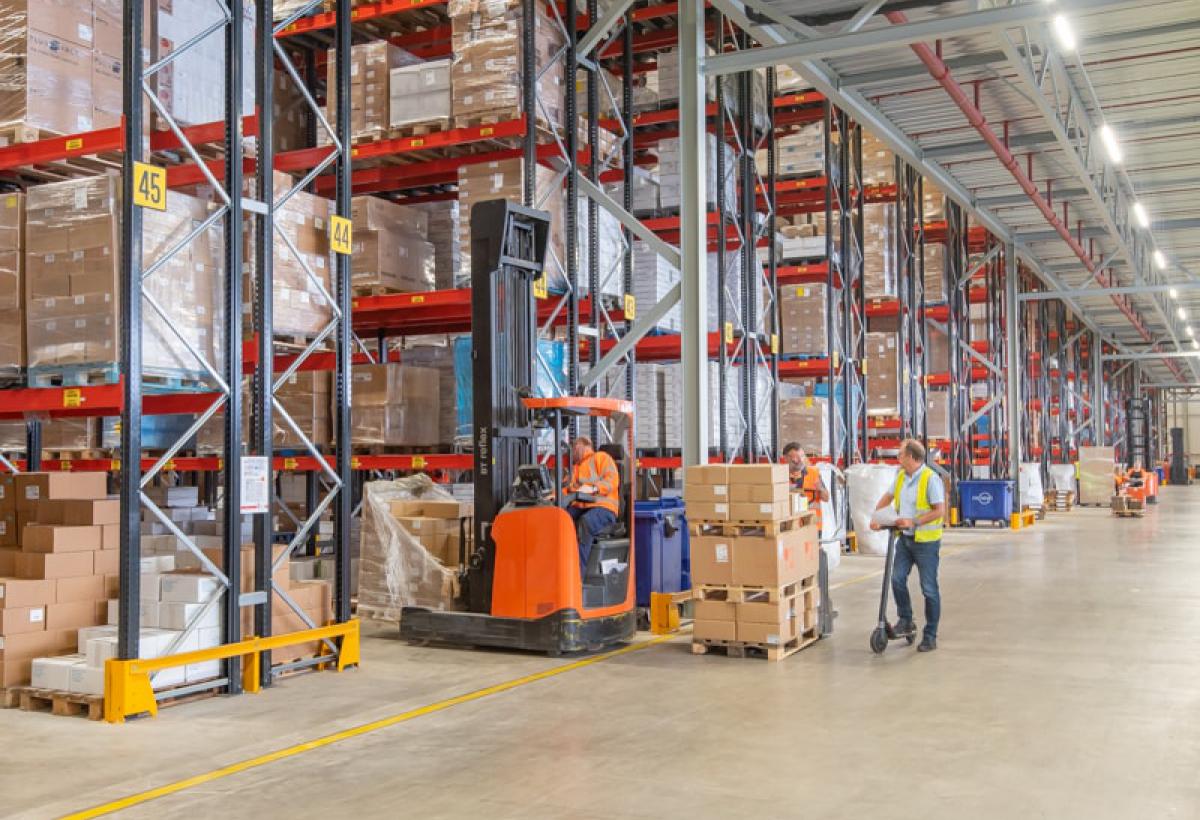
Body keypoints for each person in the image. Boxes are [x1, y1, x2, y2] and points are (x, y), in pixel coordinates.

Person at [870, 438, 946, 652]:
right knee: (896, 579)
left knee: (928, 588)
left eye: (901, 454)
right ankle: (906, 620)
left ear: (912, 457)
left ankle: (930, 635)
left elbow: (940, 510)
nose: (898, 457)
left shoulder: (931, 479)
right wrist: (877, 517)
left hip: (926, 543)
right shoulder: (901, 475)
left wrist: (914, 521)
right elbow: (887, 497)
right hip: (904, 539)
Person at [563, 436, 619, 576]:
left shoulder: (602, 458)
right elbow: (567, 488)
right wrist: (550, 496)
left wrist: (594, 488)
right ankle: (562, 568)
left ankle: (577, 576)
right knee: (561, 519)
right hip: (583, 506)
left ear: (585, 445)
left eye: (575, 447)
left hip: (604, 508)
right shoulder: (575, 468)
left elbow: (612, 480)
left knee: (586, 522)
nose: (573, 452)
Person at [782, 442, 829, 525]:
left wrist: (821, 489)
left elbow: (826, 498)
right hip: (790, 525)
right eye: (795, 457)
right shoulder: (779, 476)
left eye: (802, 456)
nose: (800, 460)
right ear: (785, 458)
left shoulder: (813, 473)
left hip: (812, 524)